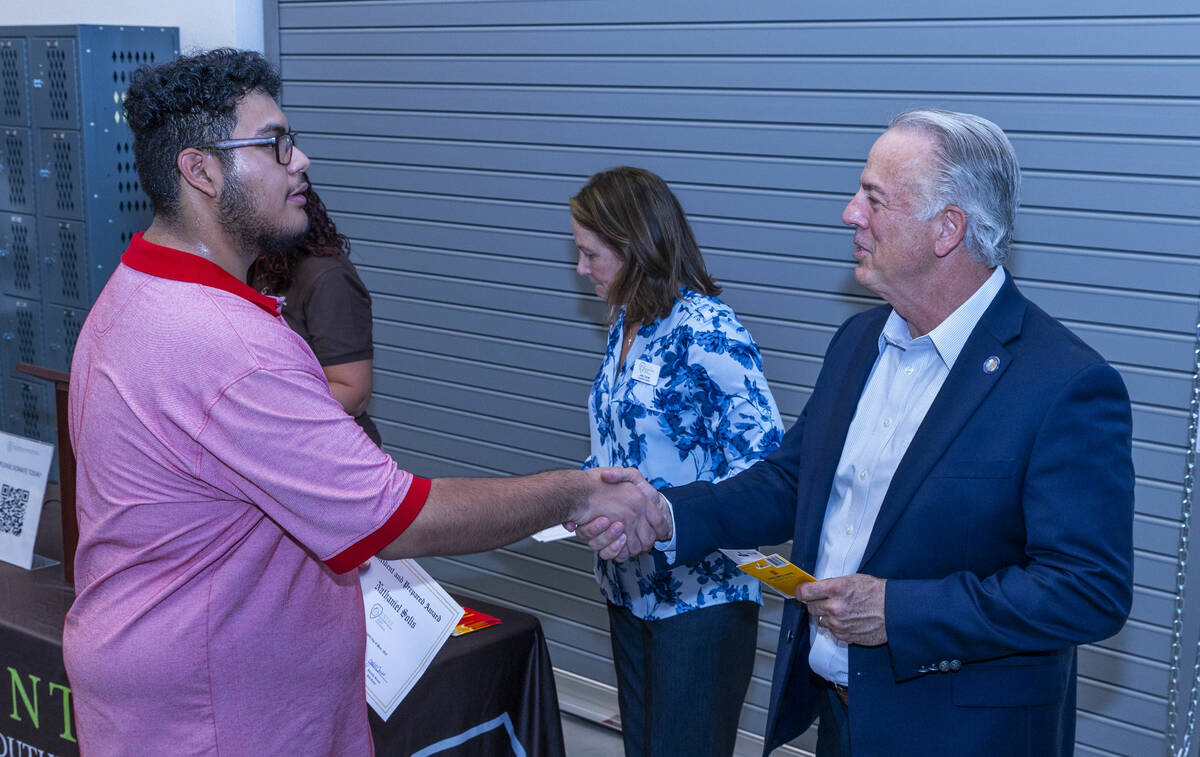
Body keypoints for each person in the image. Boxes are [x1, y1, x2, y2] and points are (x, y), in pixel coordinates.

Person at [63, 48, 666, 756]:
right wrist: (575, 492)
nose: (302, 159)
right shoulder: (226, 343)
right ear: (200, 170)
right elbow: (399, 517)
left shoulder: (136, 290)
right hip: (221, 721)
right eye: (275, 143)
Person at [583, 109, 1135, 756]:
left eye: (873, 197)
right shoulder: (858, 342)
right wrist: (666, 512)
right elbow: (791, 480)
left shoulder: (1062, 383)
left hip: (965, 736)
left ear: (947, 228)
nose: (850, 213)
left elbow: (1087, 588)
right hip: (843, 719)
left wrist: (899, 612)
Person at [571, 167, 784, 757]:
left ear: (634, 246)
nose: (581, 269)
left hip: (700, 600)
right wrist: (583, 497)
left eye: (590, 254)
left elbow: (765, 470)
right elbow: (625, 446)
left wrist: (661, 510)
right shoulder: (625, 325)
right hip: (628, 590)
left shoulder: (709, 330)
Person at [249, 180, 383, 446]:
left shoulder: (328, 277)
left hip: (331, 451)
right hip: (277, 442)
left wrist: (261, 404)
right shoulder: (251, 264)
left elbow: (353, 394)